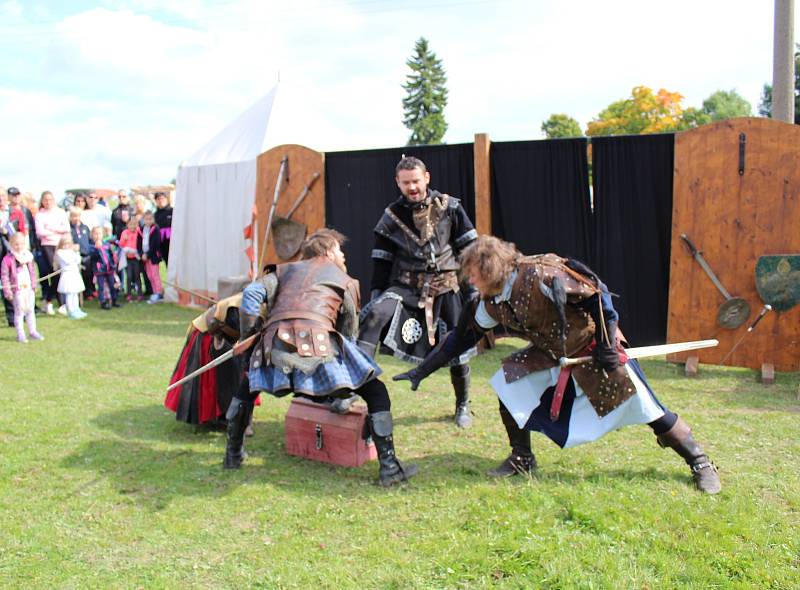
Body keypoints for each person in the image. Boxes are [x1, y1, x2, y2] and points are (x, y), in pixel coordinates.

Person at [394, 235, 722, 494]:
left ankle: (699, 461)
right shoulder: (490, 302)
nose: (472, 284)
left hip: (593, 348)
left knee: (646, 408)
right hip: (551, 354)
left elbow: (598, 295)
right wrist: (423, 369)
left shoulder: (542, 273)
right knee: (509, 385)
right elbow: (461, 338)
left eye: (476, 277)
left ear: (492, 269)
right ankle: (522, 458)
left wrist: (608, 346)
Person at [229, 228, 417, 487]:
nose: (343, 256)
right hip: (319, 351)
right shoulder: (345, 280)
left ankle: (233, 455)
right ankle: (389, 468)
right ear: (328, 251)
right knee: (376, 392)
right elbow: (348, 333)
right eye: (340, 251)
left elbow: (250, 294)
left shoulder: (283, 271)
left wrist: (249, 338)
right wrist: (345, 381)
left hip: (275, 351)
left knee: (247, 385)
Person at [358, 156, 479, 428]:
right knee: (374, 315)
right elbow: (381, 261)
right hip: (406, 287)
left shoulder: (451, 207)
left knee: (457, 348)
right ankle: (352, 387)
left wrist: (472, 293)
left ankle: (462, 405)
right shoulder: (391, 216)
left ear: (427, 177)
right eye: (406, 182)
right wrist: (376, 295)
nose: (412, 187)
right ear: (397, 183)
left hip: (446, 287)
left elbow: (471, 253)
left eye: (415, 180)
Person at [1, 232, 43, 342]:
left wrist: (34, 284)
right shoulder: (7, 259)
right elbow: (4, 276)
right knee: (19, 311)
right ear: (11, 244)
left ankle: (33, 331)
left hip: (28, 287)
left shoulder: (28, 256)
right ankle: (20, 333)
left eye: (21, 244)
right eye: (16, 244)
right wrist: (8, 291)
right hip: (17, 289)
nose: (19, 247)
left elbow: (32, 272)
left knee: (30, 310)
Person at [34, 191, 69, 315]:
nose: (48, 202)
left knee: (60, 273)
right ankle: (55, 302)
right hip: (47, 246)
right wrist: (55, 230)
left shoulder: (60, 212)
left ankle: (53, 302)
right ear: (42, 201)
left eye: (50, 199)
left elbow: (66, 228)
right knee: (54, 273)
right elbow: (40, 233)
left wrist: (50, 228)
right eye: (45, 200)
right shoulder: (39, 215)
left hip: (60, 244)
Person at [54, 235, 86, 320]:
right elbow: (68, 260)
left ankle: (76, 308)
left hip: (74, 273)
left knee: (75, 293)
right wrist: (74, 254)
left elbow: (78, 260)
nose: (66, 246)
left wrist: (76, 252)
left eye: (68, 244)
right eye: (65, 244)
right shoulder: (60, 252)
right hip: (67, 274)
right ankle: (71, 310)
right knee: (70, 294)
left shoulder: (72, 251)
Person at [89, 226, 119, 310]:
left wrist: (113, 264)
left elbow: (111, 255)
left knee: (112, 285)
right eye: (96, 234)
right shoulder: (91, 246)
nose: (98, 235)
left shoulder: (106, 244)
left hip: (109, 269)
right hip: (99, 270)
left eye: (99, 233)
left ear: (103, 234)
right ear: (92, 235)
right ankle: (103, 302)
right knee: (101, 287)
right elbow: (92, 256)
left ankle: (114, 300)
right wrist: (96, 248)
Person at [68, 207, 94, 301]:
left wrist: (90, 249)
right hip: (75, 255)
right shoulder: (69, 229)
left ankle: (89, 292)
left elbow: (90, 240)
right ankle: (79, 294)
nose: (76, 218)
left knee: (88, 274)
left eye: (77, 216)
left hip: (86, 254)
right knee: (78, 276)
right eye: (73, 216)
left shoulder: (85, 227)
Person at [137, 211, 163, 303]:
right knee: (149, 275)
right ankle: (154, 292)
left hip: (153, 257)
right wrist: (141, 254)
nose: (148, 221)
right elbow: (139, 243)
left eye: (150, 219)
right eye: (146, 219)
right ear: (143, 220)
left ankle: (159, 293)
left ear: (153, 219)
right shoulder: (141, 229)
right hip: (144, 257)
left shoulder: (155, 229)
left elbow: (155, 244)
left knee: (155, 275)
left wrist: (147, 254)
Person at [119, 218, 141, 301]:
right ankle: (128, 294)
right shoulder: (125, 233)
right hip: (127, 258)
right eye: (130, 224)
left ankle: (139, 293)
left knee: (137, 276)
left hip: (136, 258)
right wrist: (124, 239)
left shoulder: (138, 232)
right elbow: (121, 244)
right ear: (127, 225)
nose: (132, 226)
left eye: (134, 224)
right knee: (129, 276)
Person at [153, 191, 173, 266]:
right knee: (168, 266)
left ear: (166, 199)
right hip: (162, 246)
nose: (160, 200)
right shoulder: (155, 215)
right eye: (158, 199)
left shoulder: (173, 211)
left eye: (162, 198)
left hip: (173, 244)